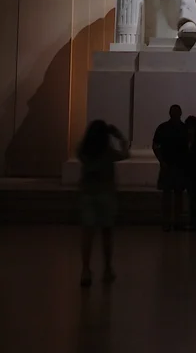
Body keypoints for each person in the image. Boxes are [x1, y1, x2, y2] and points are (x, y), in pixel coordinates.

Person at [78, 120, 129, 286]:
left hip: (87, 194)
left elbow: (81, 152)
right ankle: (107, 268)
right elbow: (125, 154)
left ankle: (86, 269)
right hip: (106, 194)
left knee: (88, 235)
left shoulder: (84, 151)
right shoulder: (108, 152)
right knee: (106, 233)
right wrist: (119, 136)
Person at [152, 105, 188, 231]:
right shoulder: (183, 129)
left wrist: (161, 160)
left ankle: (170, 221)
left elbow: (155, 146)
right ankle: (173, 221)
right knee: (174, 195)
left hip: (173, 165)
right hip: (173, 165)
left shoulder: (163, 128)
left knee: (171, 195)